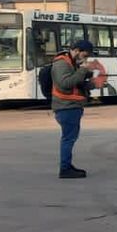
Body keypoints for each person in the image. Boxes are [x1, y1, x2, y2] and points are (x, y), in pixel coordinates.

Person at [50, 38, 99, 179]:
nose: (86, 58)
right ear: (77, 50)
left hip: (71, 106)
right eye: (85, 55)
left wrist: (91, 83)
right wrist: (83, 70)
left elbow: (76, 84)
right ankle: (65, 169)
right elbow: (65, 83)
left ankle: (67, 165)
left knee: (70, 138)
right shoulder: (61, 63)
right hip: (66, 107)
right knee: (68, 138)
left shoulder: (71, 63)